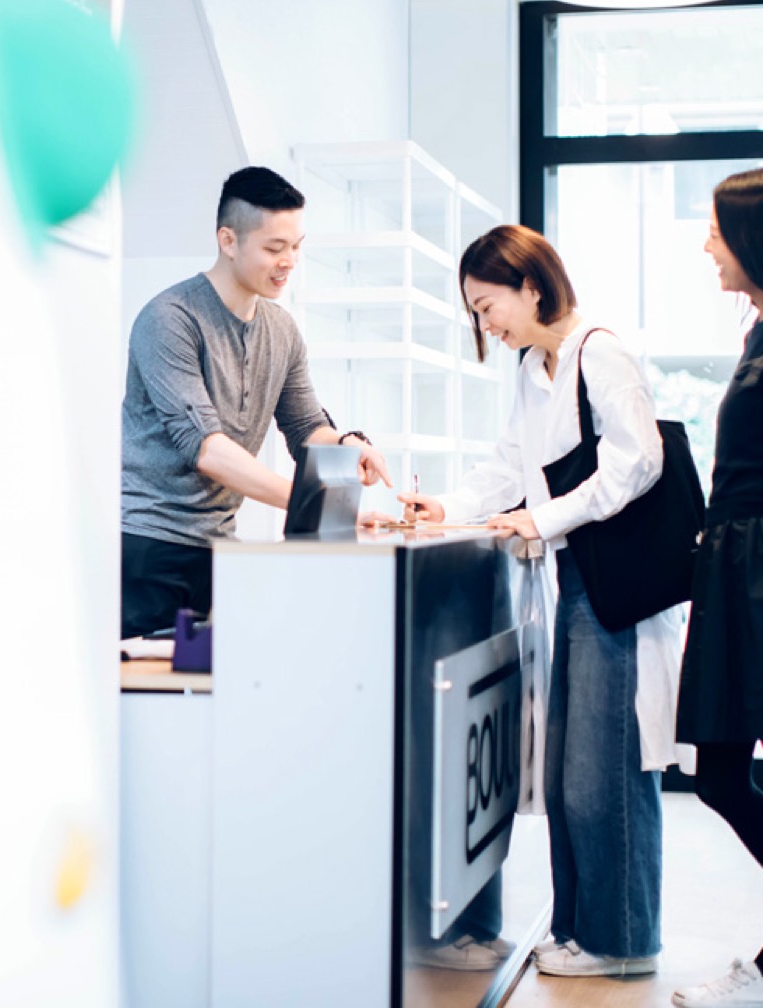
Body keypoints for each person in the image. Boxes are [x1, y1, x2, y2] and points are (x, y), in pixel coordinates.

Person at [398, 224, 681, 978]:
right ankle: (585, 931)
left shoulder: (599, 352)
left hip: (619, 592)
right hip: (578, 583)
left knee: (605, 771)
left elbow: (640, 463)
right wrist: (449, 508)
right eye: (475, 312)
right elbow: (510, 466)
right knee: (567, 773)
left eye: (487, 306)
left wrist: (542, 518)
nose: (485, 324)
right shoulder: (534, 367)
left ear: (530, 286)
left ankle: (622, 943)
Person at [120, 166, 391, 639]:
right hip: (150, 546)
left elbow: (306, 428)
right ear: (228, 240)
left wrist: (347, 445)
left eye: (296, 246)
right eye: (274, 248)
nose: (289, 261)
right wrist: (312, 506)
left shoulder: (282, 330)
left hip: (221, 548)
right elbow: (206, 449)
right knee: (152, 686)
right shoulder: (169, 319)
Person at [670, 169, 763, 1008]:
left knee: (724, 772)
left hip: (755, 570)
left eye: (715, 231)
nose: (706, 246)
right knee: (719, 774)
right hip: (734, 567)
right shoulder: (757, 328)